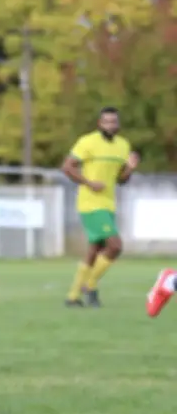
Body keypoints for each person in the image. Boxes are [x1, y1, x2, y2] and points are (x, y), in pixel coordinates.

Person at [62, 107, 139, 307]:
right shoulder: (87, 142)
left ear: (118, 124)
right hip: (90, 203)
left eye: (114, 121)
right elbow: (67, 167)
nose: (110, 125)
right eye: (106, 121)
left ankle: (72, 296)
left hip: (108, 203)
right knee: (115, 246)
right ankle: (90, 283)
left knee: (96, 248)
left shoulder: (123, 145)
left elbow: (122, 180)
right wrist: (88, 183)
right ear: (99, 123)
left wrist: (129, 168)